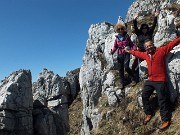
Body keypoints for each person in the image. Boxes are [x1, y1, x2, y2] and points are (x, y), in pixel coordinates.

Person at [125, 37, 180, 131]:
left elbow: (172, 44)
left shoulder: (161, 51)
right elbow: (137, 53)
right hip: (150, 80)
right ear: (145, 48)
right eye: (147, 46)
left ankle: (166, 120)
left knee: (162, 100)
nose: (149, 47)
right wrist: (129, 51)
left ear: (153, 45)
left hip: (160, 80)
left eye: (150, 45)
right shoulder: (145, 54)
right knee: (144, 95)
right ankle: (149, 113)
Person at [132, 11, 160, 81]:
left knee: (151, 64)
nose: (144, 29)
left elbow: (154, 25)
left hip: (149, 51)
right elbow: (135, 27)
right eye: (143, 28)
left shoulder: (149, 33)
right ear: (141, 29)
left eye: (146, 28)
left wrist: (155, 17)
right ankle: (135, 79)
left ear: (147, 28)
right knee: (134, 66)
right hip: (141, 52)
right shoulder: (139, 34)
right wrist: (134, 19)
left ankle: (152, 77)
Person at [110, 23, 137, 89]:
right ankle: (122, 83)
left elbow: (131, 44)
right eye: (119, 29)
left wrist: (134, 49)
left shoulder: (127, 36)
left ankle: (133, 79)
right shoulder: (117, 38)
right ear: (117, 30)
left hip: (127, 52)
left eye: (122, 29)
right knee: (120, 69)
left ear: (123, 29)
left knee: (126, 67)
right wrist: (112, 52)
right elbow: (115, 47)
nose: (120, 30)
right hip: (120, 54)